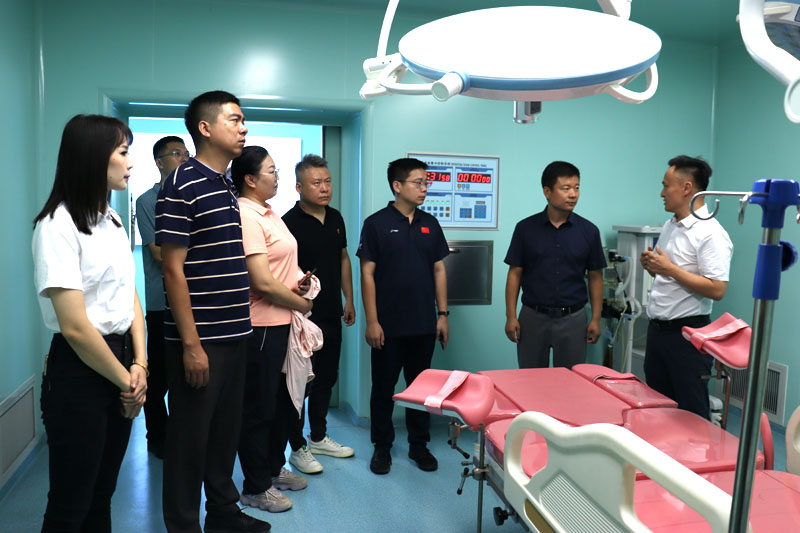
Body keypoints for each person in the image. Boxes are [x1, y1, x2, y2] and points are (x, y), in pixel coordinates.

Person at [156, 91, 270, 533]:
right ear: (205, 128)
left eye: (243, 121)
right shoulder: (181, 183)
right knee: (189, 442)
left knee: (225, 434)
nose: (244, 128)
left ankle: (223, 513)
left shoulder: (224, 183)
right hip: (201, 339)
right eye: (235, 120)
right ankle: (183, 525)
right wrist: (191, 346)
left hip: (235, 333)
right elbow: (173, 270)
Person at [32, 114, 148, 531]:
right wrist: (127, 382)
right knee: (71, 504)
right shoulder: (57, 225)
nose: (130, 162)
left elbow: (129, 296)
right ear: (93, 157)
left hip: (121, 362)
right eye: (123, 152)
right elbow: (76, 327)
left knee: (102, 495)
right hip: (81, 370)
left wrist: (140, 363)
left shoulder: (113, 220)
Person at [232, 146, 314, 513]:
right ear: (250, 179)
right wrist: (302, 303)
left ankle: (271, 468)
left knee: (283, 405)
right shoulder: (246, 214)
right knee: (259, 409)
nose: (277, 176)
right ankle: (255, 487)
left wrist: (300, 284)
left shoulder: (270, 212)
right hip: (261, 326)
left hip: (284, 323)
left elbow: (281, 269)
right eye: (271, 171)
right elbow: (262, 282)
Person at [357, 157, 450, 475]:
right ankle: (382, 447)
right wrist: (372, 321)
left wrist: (443, 314)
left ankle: (418, 445)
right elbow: (366, 274)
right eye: (418, 183)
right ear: (397, 186)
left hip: (423, 324)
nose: (424, 188)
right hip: (388, 325)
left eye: (426, 183)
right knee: (383, 389)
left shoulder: (430, 223)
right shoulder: (376, 224)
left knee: (421, 390)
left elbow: (439, 270)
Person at [641, 155, 733, 420]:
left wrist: (669, 269)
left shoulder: (710, 233)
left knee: (691, 415)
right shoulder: (671, 225)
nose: (661, 193)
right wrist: (653, 266)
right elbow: (671, 273)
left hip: (687, 337)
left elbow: (717, 289)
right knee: (659, 410)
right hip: (658, 332)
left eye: (665, 185)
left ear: (686, 188)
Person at [283, 154, 356, 474]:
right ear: (299, 187)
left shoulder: (336, 217)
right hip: (302, 316)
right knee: (300, 382)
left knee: (327, 376)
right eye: (316, 183)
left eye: (328, 182)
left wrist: (349, 299)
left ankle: (318, 437)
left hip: (331, 312)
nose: (324, 188)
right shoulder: (288, 222)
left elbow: (343, 258)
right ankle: (297, 446)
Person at [504, 161, 606, 369]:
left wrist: (596, 318)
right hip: (532, 317)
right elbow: (515, 273)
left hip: (573, 318)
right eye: (566, 188)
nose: (573, 194)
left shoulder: (589, 231)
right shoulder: (525, 229)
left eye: (577, 188)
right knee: (530, 379)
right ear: (547, 192)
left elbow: (595, 277)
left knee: (571, 380)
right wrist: (511, 316)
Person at [135, 135, 190, 459]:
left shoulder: (192, 197)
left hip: (193, 303)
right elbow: (158, 253)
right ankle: (157, 437)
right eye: (177, 153)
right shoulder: (147, 201)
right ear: (159, 162)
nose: (184, 159)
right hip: (161, 304)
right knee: (158, 379)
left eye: (187, 154)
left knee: (189, 375)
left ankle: (183, 436)